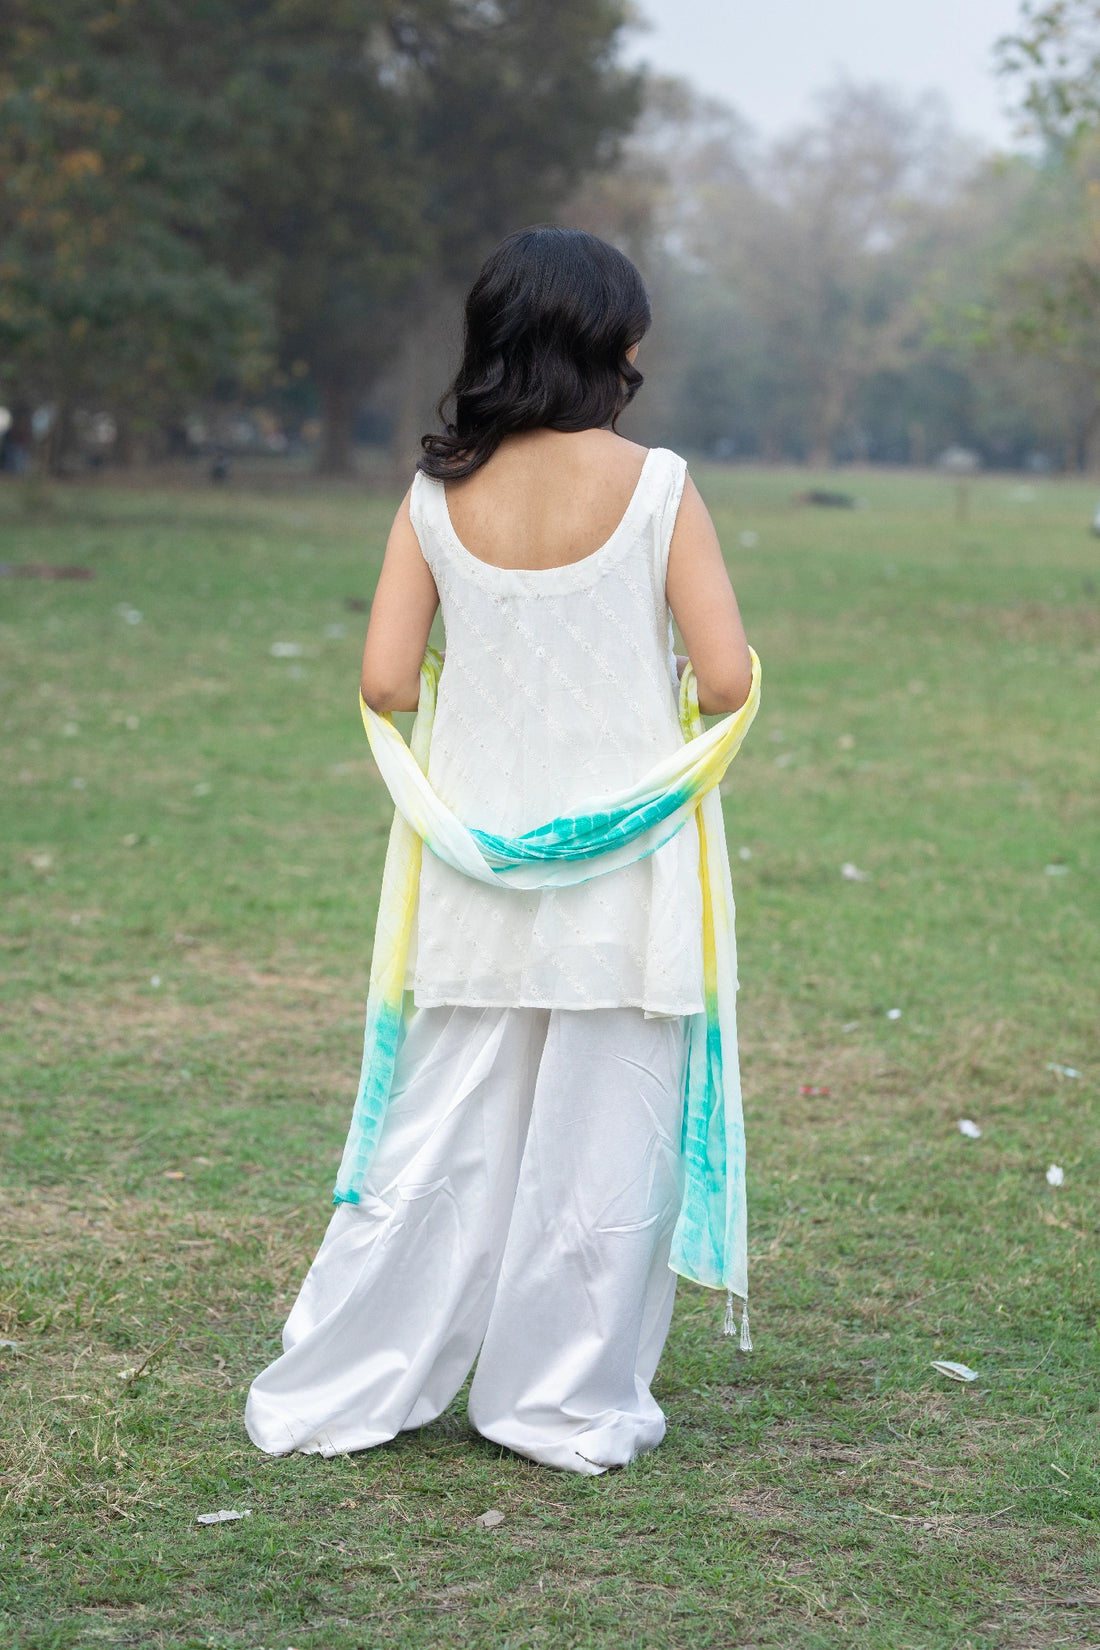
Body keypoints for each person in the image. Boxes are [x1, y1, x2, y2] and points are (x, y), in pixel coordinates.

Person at [245, 226, 757, 1476]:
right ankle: (553, 1405)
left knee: (434, 1140)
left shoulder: (432, 494)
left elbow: (381, 680)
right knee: (602, 1146)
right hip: (625, 878)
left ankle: (345, 1379)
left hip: (474, 864)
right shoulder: (657, 486)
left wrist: (491, 666)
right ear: (607, 342)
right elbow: (728, 676)